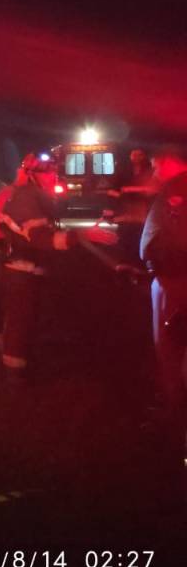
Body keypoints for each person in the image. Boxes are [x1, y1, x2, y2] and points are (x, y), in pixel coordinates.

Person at [0, 153, 116, 379]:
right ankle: (15, 374)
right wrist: (81, 234)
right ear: (33, 175)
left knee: (27, 318)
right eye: (49, 171)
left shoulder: (35, 195)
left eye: (55, 170)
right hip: (20, 271)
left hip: (27, 268)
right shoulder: (26, 198)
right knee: (21, 320)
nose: (54, 176)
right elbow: (40, 238)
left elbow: (49, 225)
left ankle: (21, 361)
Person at [140, 145, 187, 457]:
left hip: (175, 281)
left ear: (171, 162)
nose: (154, 173)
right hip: (172, 277)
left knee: (170, 346)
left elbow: (175, 238)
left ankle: (175, 415)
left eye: (156, 166)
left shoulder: (178, 189)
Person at [0, 167, 27, 348]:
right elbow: (3, 225)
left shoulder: (11, 192)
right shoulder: (12, 194)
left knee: (1, 290)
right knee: (1, 290)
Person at [109, 148, 157, 262]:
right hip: (126, 210)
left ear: (144, 156)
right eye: (134, 154)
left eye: (139, 154)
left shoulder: (149, 170)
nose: (136, 157)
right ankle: (124, 262)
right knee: (125, 238)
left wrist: (132, 190)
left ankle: (139, 262)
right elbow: (113, 190)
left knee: (140, 238)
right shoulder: (123, 170)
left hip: (142, 212)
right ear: (130, 156)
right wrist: (117, 198)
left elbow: (153, 189)